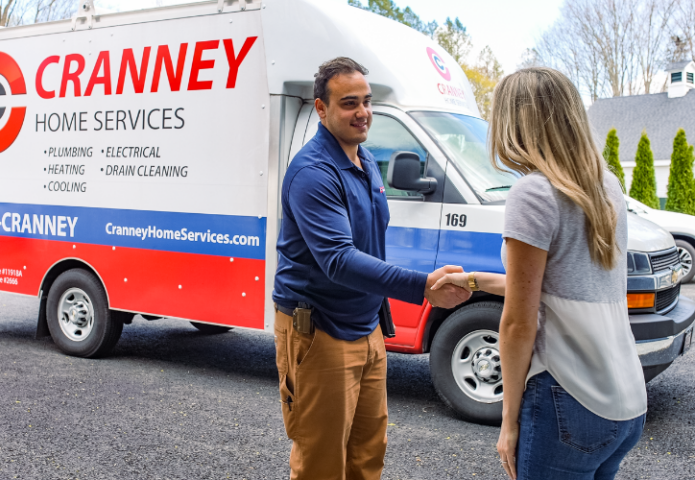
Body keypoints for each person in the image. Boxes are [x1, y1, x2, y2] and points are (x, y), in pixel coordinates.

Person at [432, 67, 647, 480]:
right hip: (624, 400)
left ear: (513, 123)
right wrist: (474, 281)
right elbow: (558, 288)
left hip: (568, 397)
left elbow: (517, 322)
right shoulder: (607, 186)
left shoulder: (533, 192)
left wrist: (508, 420)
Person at [272, 57, 471, 480]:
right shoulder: (313, 172)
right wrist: (422, 285)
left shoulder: (363, 163)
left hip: (367, 328)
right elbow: (338, 259)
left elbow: (368, 245)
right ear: (321, 109)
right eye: (348, 103)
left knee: (367, 453)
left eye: (366, 101)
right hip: (321, 331)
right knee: (321, 462)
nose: (362, 112)